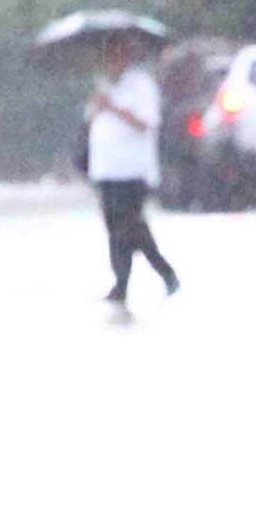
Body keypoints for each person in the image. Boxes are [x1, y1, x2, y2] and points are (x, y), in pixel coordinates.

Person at [85, 32, 180, 307]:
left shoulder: (141, 86)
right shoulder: (103, 86)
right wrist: (98, 106)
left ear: (126, 55)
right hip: (105, 169)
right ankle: (121, 283)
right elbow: (91, 122)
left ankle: (165, 272)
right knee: (114, 228)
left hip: (133, 170)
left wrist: (112, 107)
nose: (110, 61)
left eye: (116, 54)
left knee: (132, 227)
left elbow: (145, 123)